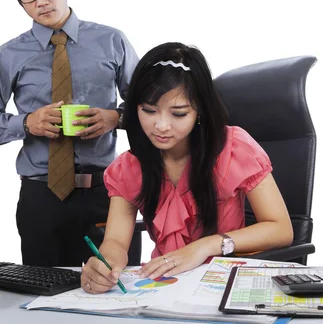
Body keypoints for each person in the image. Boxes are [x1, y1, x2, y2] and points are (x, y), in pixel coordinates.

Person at [0, 0, 139, 267]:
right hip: (40, 198)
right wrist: (26, 123)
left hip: (107, 194)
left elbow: (151, 107)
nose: (41, 1)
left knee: (118, 294)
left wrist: (115, 118)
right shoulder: (8, 56)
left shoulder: (111, 41)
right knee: (42, 298)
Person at [80, 42, 293, 293]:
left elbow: (281, 229)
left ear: (199, 111)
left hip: (225, 283)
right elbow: (115, 240)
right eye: (148, 110)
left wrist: (206, 246)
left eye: (178, 114)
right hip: (164, 285)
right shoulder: (128, 167)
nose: (161, 125)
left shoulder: (235, 148)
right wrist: (105, 265)